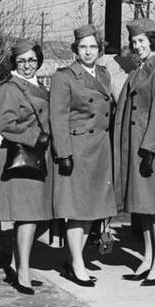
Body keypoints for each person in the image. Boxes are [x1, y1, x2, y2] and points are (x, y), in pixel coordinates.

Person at [50, 24, 118, 288]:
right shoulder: (64, 76)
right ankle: (77, 263)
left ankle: (74, 259)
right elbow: (58, 117)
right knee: (76, 209)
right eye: (83, 47)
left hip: (100, 148)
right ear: (75, 50)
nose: (88, 52)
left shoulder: (104, 74)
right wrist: (64, 153)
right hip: (77, 149)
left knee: (91, 209)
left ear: (99, 50)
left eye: (92, 47)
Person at [114, 18, 155, 286]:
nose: (137, 46)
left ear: (153, 41)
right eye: (134, 42)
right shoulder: (139, 70)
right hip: (139, 145)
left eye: (141, 41)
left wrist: (149, 149)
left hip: (152, 147)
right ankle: (149, 257)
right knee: (144, 206)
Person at [0, 39, 52, 295]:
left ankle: (19, 266)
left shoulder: (39, 86)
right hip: (22, 157)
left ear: (38, 60)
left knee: (35, 216)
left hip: (40, 158)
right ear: (14, 64)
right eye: (21, 61)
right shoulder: (10, 88)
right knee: (27, 216)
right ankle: (24, 272)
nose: (27, 65)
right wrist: (33, 137)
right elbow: (5, 125)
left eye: (31, 60)